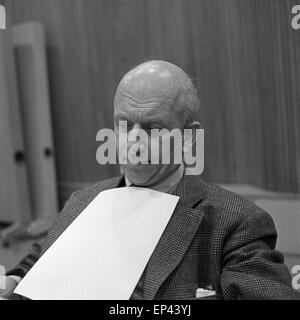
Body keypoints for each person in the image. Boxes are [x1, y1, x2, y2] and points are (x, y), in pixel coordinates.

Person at [1, 60, 299, 300]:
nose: (134, 141)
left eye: (152, 127)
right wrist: (12, 281)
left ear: (188, 137)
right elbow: (34, 266)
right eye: (124, 124)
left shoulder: (236, 222)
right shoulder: (83, 201)